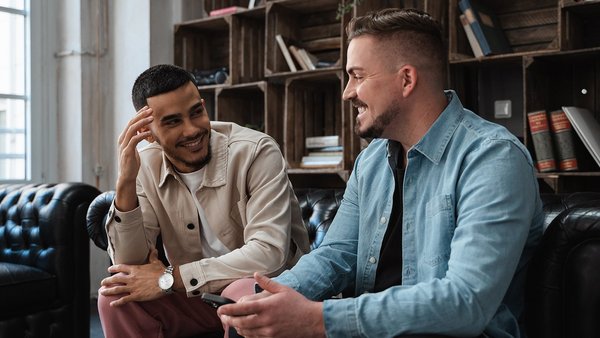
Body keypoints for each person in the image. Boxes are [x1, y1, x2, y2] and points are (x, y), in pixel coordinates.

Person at [218, 8, 544, 338]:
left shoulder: (493, 158)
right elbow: (336, 256)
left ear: (406, 79)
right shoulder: (372, 160)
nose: (347, 91)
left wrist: (320, 319)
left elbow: (465, 302)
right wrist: (263, 300)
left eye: (358, 76)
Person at [97, 64, 310, 337]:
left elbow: (269, 254)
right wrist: (125, 183)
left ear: (204, 106)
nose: (191, 130)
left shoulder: (256, 152)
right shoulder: (145, 165)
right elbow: (130, 266)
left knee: (240, 294)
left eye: (196, 113)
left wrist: (171, 279)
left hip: (265, 287)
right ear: (147, 132)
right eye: (173, 121)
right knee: (115, 297)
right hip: (196, 297)